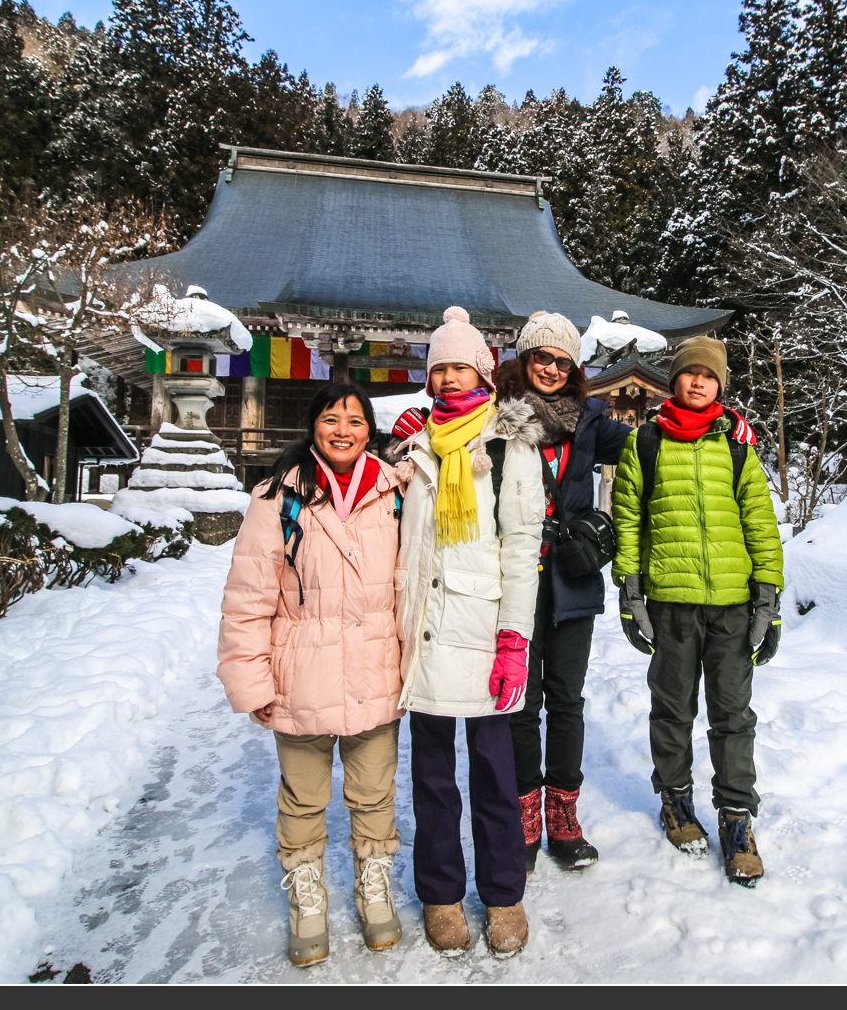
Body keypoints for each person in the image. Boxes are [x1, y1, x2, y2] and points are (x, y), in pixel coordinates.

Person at [217, 382, 406, 967]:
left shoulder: (395, 492)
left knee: (374, 794)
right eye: (331, 418)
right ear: (313, 426)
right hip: (300, 671)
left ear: (369, 429)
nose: (343, 430)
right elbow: (247, 597)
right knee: (303, 798)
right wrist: (251, 681)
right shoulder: (279, 497)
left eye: (354, 419)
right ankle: (308, 899)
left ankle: (374, 891)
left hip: (376, 667)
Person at [387, 306, 545, 958]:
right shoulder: (412, 441)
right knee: (431, 775)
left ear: (482, 370)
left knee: (493, 769)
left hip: (483, 629)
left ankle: (504, 893)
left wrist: (515, 637)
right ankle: (442, 894)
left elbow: (522, 543)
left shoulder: (510, 438)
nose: (450, 377)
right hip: (424, 627)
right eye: (440, 367)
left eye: (461, 365)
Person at [610, 335, 784, 887]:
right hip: (671, 602)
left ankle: (737, 818)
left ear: (719, 385)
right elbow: (629, 520)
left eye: (709, 376)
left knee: (733, 715)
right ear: (675, 381)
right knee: (673, 708)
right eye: (690, 374)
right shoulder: (645, 444)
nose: (698, 382)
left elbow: (761, 521)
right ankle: (677, 801)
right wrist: (631, 590)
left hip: (732, 604)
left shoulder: (737, 448)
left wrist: (769, 597)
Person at [493, 311, 630, 871]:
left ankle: (563, 816)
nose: (550, 368)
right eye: (541, 357)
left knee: (567, 701)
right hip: (516, 581)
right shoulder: (496, 420)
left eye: (561, 361)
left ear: (573, 368)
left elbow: (655, 443)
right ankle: (524, 816)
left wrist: (721, 424)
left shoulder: (591, 422)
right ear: (524, 360)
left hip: (572, 579)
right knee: (522, 705)